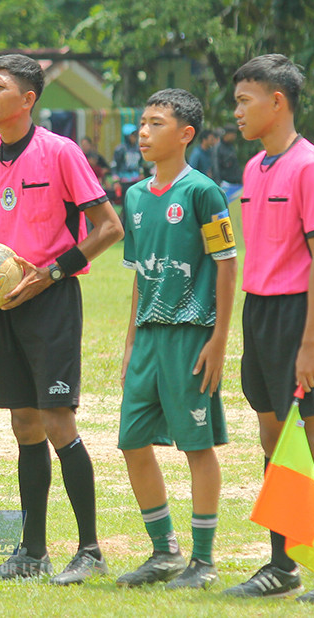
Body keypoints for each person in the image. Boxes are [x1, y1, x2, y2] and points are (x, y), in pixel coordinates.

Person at [0, 54, 124, 585]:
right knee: (23, 424)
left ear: (28, 99)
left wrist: (52, 273)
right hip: (3, 307)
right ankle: (31, 553)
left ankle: (90, 549)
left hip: (53, 300)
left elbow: (108, 228)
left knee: (58, 421)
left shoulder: (61, 152)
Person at [222, 53, 314, 603]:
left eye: (244, 100)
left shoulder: (311, 166)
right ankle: (283, 564)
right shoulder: (254, 169)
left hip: (299, 315)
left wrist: (311, 342)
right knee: (272, 433)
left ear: (276, 102)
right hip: (259, 313)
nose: (236, 112)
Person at [116, 89, 237, 591]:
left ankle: (203, 561)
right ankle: (164, 551)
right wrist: (128, 343)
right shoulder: (135, 196)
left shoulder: (204, 192)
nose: (144, 133)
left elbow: (228, 267)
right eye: (142, 124)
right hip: (147, 338)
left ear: (185, 134)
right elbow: (140, 278)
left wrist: (219, 341)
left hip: (191, 337)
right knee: (131, 441)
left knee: (197, 445)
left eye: (157, 124)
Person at [112, 123, 145, 193]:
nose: (135, 137)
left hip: (136, 181)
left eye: (136, 135)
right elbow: (114, 166)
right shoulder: (120, 149)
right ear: (127, 136)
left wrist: (141, 173)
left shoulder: (138, 149)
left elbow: (140, 164)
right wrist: (116, 182)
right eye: (133, 135)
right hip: (124, 182)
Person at [214, 125, 241, 200]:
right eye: (233, 134)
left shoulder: (231, 147)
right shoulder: (218, 148)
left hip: (235, 183)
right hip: (225, 185)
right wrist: (218, 184)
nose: (234, 136)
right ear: (227, 134)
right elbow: (216, 167)